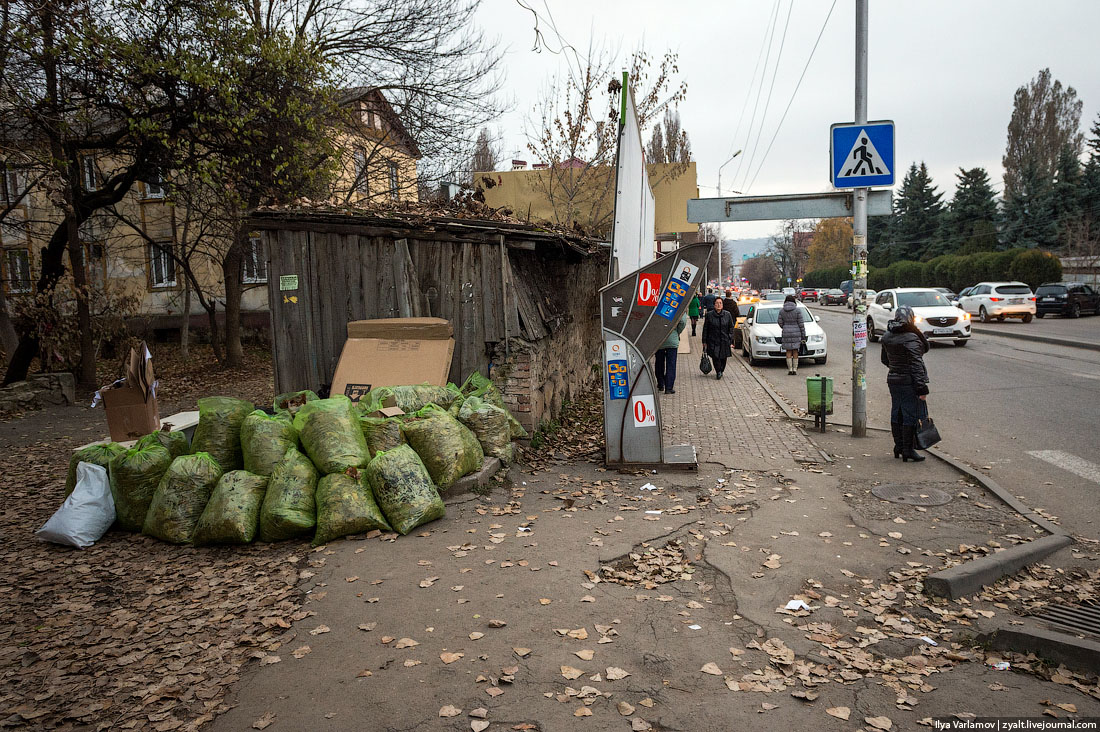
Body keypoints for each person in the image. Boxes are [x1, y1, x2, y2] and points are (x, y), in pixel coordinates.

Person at [880, 304, 929, 463]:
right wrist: (921, 387)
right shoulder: (911, 336)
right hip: (909, 381)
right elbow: (916, 364)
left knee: (897, 411)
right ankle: (908, 450)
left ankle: (899, 446)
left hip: (893, 379)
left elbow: (884, 359)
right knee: (910, 414)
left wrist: (896, 367)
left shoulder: (887, 335)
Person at [702, 297, 735, 380]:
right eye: (717, 303)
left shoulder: (727, 315)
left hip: (724, 340)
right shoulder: (709, 315)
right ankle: (718, 371)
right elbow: (706, 328)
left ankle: (721, 370)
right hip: (713, 340)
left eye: (720, 303)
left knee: (723, 358)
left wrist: (730, 337)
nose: (719, 305)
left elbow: (731, 327)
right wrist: (704, 341)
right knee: (715, 357)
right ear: (714, 305)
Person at [655, 314, 687, 394]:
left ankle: (661, 384)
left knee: (659, 363)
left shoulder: (656, 304)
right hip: (672, 339)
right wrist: (676, 332)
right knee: (671, 364)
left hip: (659, 339)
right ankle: (669, 387)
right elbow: (682, 321)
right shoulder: (677, 303)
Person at [777, 295, 806, 376]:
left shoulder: (782, 311)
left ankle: (790, 369)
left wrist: (784, 326)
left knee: (788, 351)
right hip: (796, 332)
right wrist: (803, 334)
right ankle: (795, 369)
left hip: (786, 331)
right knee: (795, 350)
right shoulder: (797, 310)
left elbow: (779, 322)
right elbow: (801, 324)